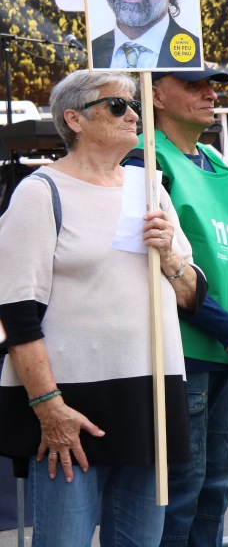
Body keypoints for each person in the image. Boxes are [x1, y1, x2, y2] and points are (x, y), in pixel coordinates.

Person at [0, 69, 204, 545]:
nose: (133, 113)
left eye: (133, 104)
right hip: (73, 405)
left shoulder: (149, 187)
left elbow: (193, 296)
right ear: (74, 119)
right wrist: (49, 407)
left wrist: (171, 257)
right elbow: (15, 310)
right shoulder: (40, 192)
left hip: (150, 399)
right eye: (116, 105)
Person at [132, 66, 228, 547]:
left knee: (217, 488)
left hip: (227, 354)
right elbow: (161, 267)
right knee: (182, 493)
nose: (211, 95)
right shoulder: (145, 161)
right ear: (155, 94)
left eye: (212, 85)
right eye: (194, 86)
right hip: (184, 356)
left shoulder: (217, 161)